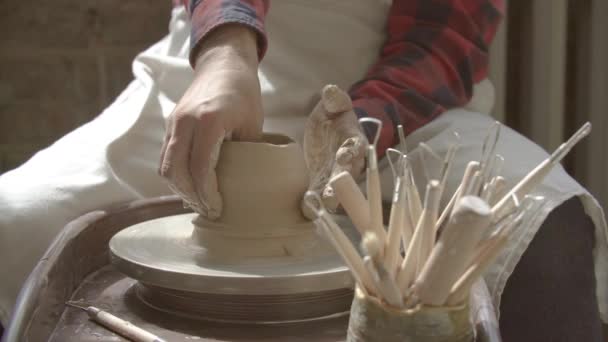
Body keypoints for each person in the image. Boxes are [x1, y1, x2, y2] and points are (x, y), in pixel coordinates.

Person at [0, 1, 605, 340]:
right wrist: (225, 50)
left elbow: (446, 36)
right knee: (15, 217)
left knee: (549, 238)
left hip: (403, 112)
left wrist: (366, 122)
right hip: (217, 72)